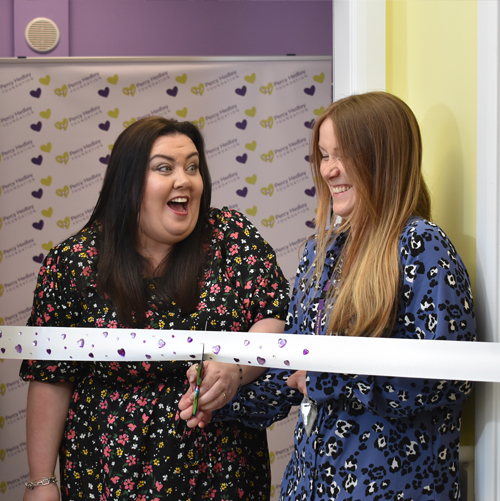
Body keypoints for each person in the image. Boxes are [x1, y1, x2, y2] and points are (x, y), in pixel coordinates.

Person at [181, 92, 476, 500]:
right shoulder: (320, 252)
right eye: (323, 155)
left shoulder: (421, 246)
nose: (329, 170)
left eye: (343, 155)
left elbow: (445, 379)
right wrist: (226, 397)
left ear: (384, 157)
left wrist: (328, 379)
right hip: (310, 487)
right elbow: (294, 371)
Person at [20, 116, 290, 501]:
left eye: (193, 167)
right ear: (128, 182)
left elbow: (274, 314)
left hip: (221, 473)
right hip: (107, 473)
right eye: (165, 168)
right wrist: (41, 480)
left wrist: (236, 366)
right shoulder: (74, 262)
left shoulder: (232, 237)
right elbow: (51, 375)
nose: (185, 179)